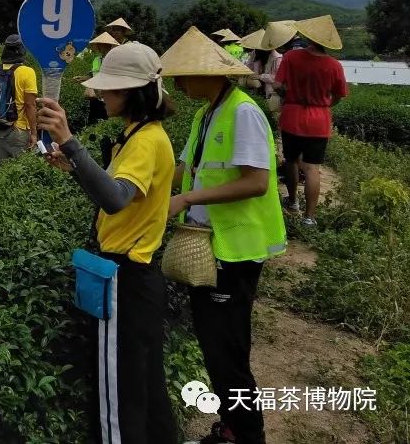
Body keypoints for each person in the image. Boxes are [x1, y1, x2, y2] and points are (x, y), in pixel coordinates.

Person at [37, 42, 178, 444]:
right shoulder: (139, 135)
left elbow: (115, 200)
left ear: (134, 92)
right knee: (145, 381)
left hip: (127, 280)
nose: (102, 94)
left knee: (120, 391)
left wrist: (69, 140)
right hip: (139, 277)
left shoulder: (147, 140)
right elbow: (114, 192)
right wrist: (75, 166)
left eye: (111, 88)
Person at [161, 27, 287, 444]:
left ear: (211, 75)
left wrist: (188, 198)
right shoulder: (206, 112)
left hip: (236, 249)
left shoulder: (243, 112)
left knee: (228, 352)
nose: (178, 84)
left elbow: (256, 182)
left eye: (184, 75)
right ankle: (232, 427)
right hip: (210, 246)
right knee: (217, 347)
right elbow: (184, 168)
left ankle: (248, 435)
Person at [274, 15, 348, 226]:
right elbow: (339, 95)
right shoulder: (335, 66)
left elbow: (279, 84)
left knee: (290, 160)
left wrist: (290, 94)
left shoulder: (290, 57)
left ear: (309, 37)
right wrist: (324, 105)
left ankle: (293, 202)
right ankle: (310, 217)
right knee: (312, 168)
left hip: (292, 116)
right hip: (319, 120)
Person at [0, 34, 38, 162]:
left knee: (2, 170)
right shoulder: (27, 72)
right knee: (19, 172)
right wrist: (34, 133)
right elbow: (30, 105)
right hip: (18, 130)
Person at [85, 31, 120, 122]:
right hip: (95, 96)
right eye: (99, 45)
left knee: (105, 121)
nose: (100, 47)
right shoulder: (97, 59)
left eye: (103, 45)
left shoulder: (115, 60)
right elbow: (94, 74)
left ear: (109, 46)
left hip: (107, 98)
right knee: (93, 120)